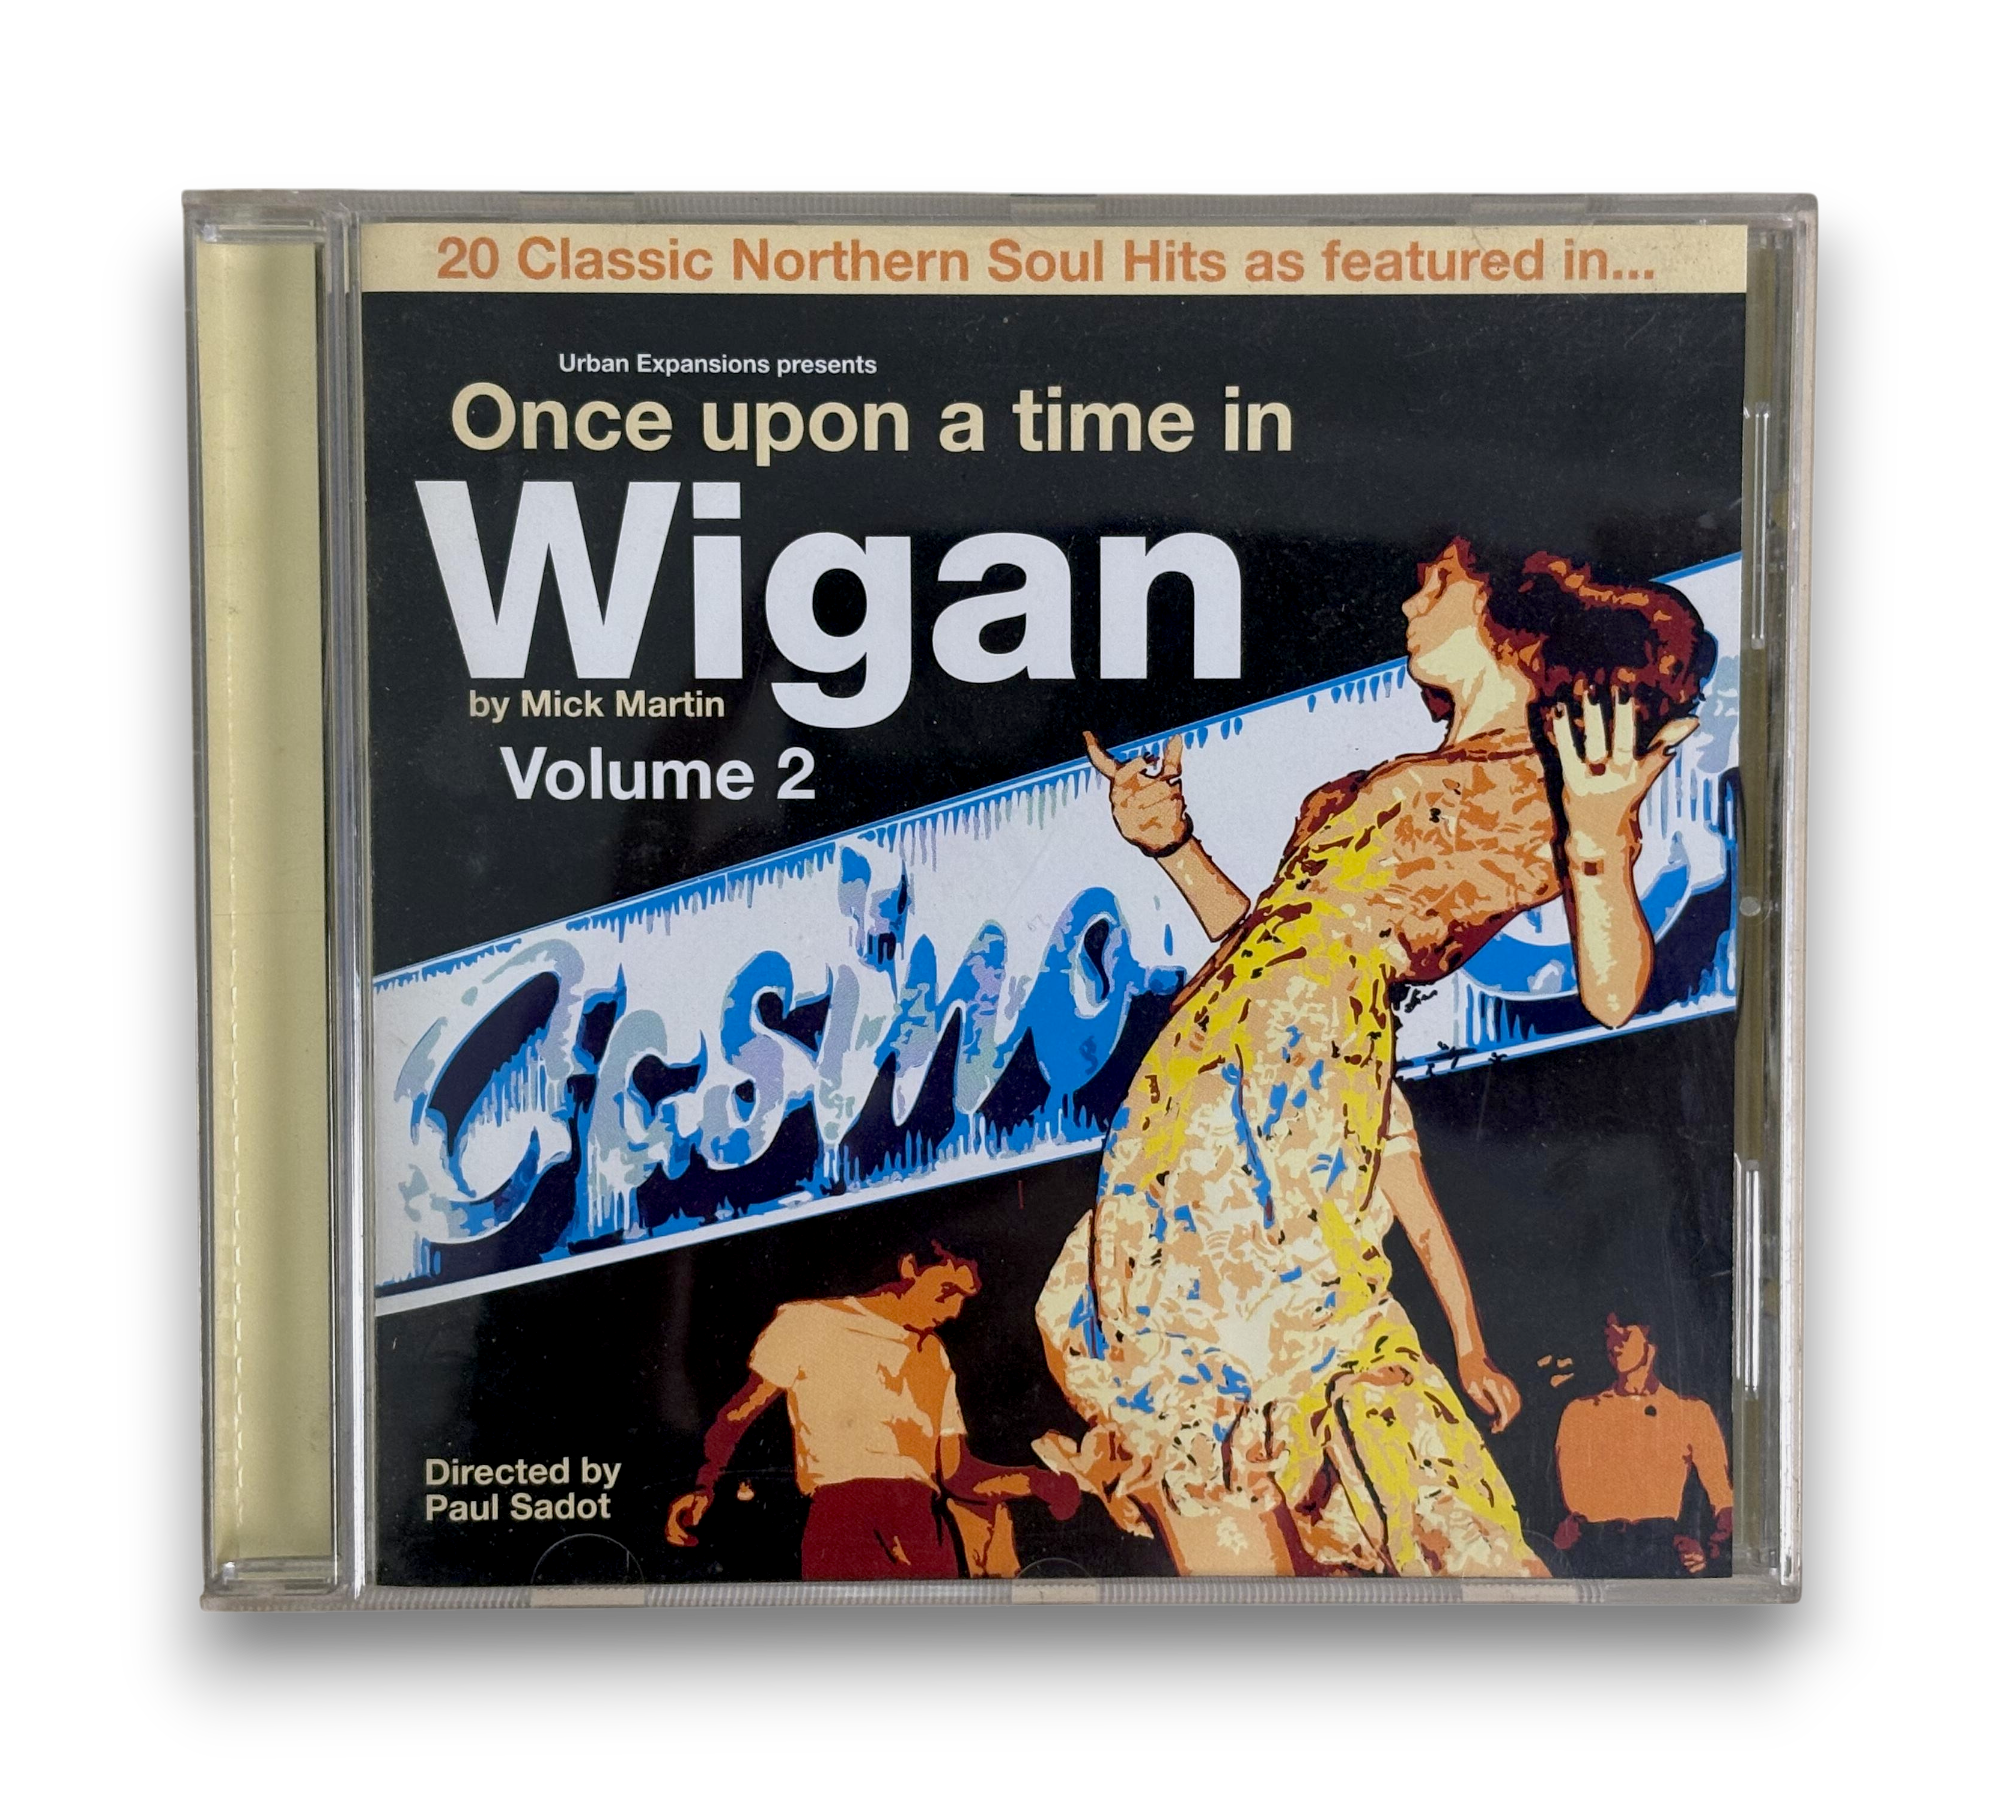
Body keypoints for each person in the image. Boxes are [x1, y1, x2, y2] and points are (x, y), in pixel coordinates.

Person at [1035, 539, 1714, 1577]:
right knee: (1187, 1414)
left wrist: (1594, 832)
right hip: (1188, 1091)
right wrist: (1172, 847)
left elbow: (1614, 992)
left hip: (1296, 1086)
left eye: (1436, 582)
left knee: (1305, 1366)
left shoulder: (1550, 773)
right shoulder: (1382, 780)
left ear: (1505, 610)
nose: (1409, 601)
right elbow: (1264, 942)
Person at [666, 1244, 1081, 1580]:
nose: (953, 1311)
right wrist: (702, 1484)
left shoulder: (934, 1356)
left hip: (925, 1534)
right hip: (845, 1525)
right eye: (946, 1292)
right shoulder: (809, 1321)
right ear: (909, 1267)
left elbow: (957, 1474)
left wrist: (1036, 1481)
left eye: (963, 1299)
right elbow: (738, 1415)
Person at [1553, 1313, 1733, 1577]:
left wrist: (1706, 1549)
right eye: (1609, 1335)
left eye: (1625, 1335)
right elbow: (1574, 1498)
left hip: (1660, 1554)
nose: (1614, 1345)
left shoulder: (1690, 1412)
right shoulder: (1580, 1412)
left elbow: (1723, 1499)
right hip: (1594, 1551)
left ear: (1652, 1342)